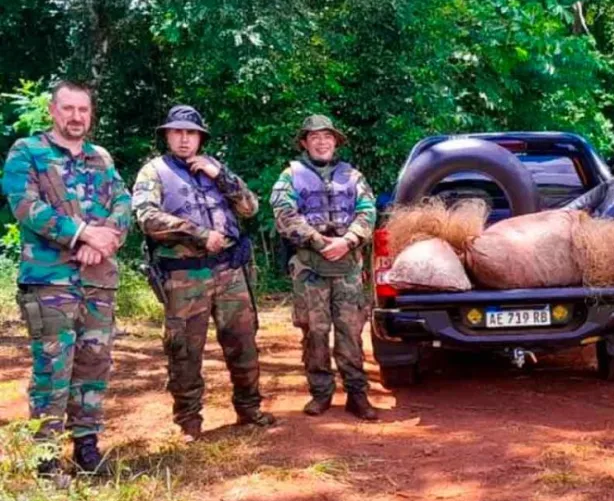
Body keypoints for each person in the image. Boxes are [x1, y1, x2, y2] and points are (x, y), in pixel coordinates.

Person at [2, 81, 131, 474]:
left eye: (84, 110)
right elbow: (25, 205)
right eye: (69, 109)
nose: (76, 117)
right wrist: (81, 233)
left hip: (98, 280)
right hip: (50, 281)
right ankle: (46, 460)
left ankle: (87, 448)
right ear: (53, 112)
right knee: (53, 369)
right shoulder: (28, 151)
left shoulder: (101, 157)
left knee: (94, 365)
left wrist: (103, 242)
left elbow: (123, 203)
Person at [132, 105, 275, 440]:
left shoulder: (215, 168)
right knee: (184, 350)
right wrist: (198, 234)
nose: (184, 139)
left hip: (229, 271)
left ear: (200, 137)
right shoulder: (153, 172)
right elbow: (147, 218)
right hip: (184, 276)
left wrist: (219, 175)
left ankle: (249, 410)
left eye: (191, 133)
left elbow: (250, 208)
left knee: (243, 343)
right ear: (166, 135)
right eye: (177, 132)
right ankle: (189, 422)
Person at [270, 115, 378, 420]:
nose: (321, 142)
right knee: (314, 333)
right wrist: (319, 241)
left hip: (347, 267)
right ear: (304, 142)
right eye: (314, 137)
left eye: (327, 137)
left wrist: (348, 240)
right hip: (310, 268)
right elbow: (284, 214)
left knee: (351, 333)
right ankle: (320, 393)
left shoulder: (353, 177)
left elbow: (367, 212)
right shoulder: (290, 176)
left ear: (335, 141)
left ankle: (357, 394)